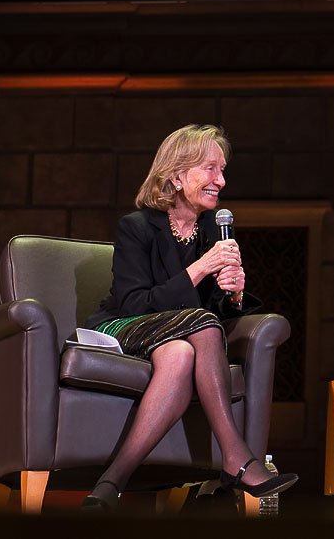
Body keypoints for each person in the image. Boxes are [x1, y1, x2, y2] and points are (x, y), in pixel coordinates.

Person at [82, 123, 297, 510]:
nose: (221, 180)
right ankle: (236, 456)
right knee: (199, 323)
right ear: (178, 176)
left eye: (223, 170)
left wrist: (234, 294)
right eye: (211, 169)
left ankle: (111, 483)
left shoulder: (212, 231)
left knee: (181, 354)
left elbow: (211, 315)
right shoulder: (136, 227)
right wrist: (200, 269)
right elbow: (134, 303)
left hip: (177, 336)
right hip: (122, 328)